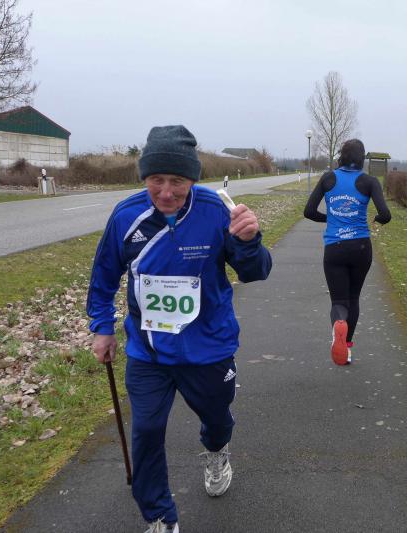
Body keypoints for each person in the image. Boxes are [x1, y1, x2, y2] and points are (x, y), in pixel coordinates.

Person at [87, 125, 272, 533]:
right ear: (144, 176)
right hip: (149, 352)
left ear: (192, 179)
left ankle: (217, 450)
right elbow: (103, 277)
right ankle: (159, 516)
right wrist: (102, 327)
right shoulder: (126, 216)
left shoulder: (215, 211)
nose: (167, 192)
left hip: (208, 348)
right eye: (156, 179)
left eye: (178, 181)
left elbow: (256, 271)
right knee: (147, 430)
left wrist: (249, 241)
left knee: (217, 419)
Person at [303, 139, 391, 365]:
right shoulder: (369, 181)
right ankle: (347, 347)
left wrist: (330, 218)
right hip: (361, 248)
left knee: (339, 301)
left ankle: (338, 324)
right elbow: (386, 215)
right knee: (353, 298)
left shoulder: (328, 178)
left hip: (335, 248)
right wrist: (377, 218)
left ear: (341, 156)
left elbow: (309, 211)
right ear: (362, 158)